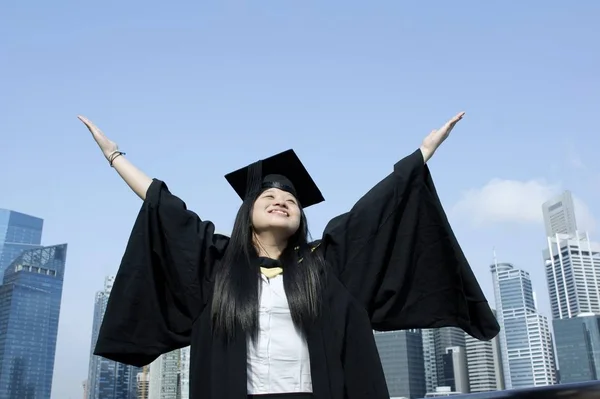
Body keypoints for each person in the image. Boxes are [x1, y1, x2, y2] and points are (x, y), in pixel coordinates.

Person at [78, 112, 499, 399]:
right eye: (269, 195)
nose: (281, 201)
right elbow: (166, 209)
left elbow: (377, 211)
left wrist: (423, 152)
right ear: (248, 211)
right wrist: (115, 156)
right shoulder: (220, 266)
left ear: (300, 217)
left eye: (290, 200)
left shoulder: (323, 265)